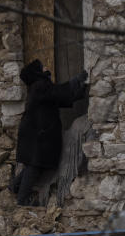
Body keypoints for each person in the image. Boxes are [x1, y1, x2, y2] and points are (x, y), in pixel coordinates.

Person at [10, 59, 88, 205]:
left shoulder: (39, 87)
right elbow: (59, 92)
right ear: (38, 72)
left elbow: (57, 98)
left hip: (35, 134)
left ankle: (14, 188)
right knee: (34, 166)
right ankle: (22, 200)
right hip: (38, 135)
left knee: (32, 165)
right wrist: (76, 81)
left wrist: (79, 92)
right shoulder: (40, 85)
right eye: (42, 67)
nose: (46, 67)